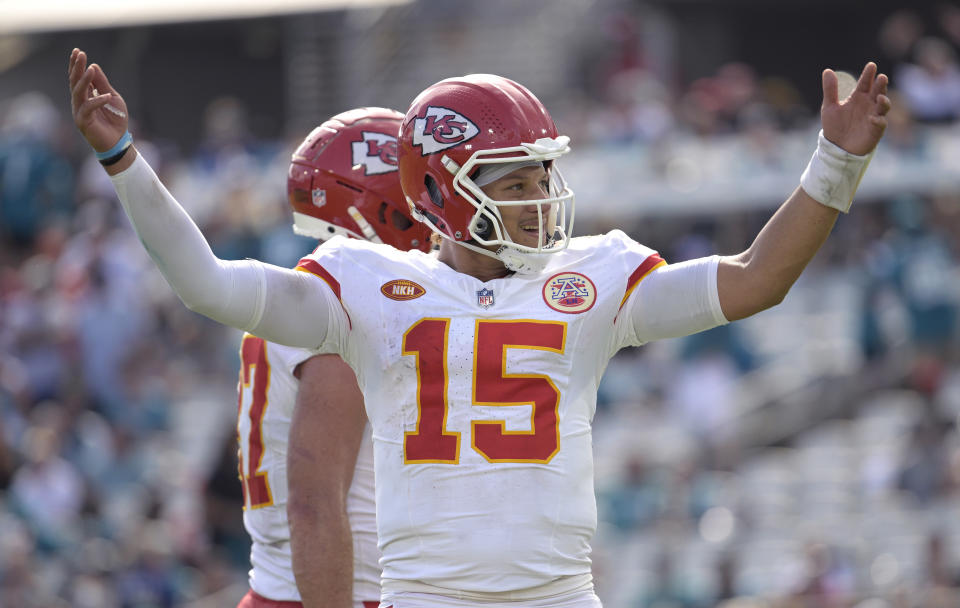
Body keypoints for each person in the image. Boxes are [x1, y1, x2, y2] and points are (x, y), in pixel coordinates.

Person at [69, 48, 890, 607]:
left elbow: (757, 280)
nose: (542, 194)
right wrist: (126, 163)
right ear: (441, 189)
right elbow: (206, 283)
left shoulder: (591, 278)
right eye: (519, 176)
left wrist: (836, 165)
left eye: (544, 173)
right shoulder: (372, 291)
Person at [233, 108, 432, 608]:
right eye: (426, 198)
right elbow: (314, 505)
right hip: (333, 594)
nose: (439, 217)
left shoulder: (308, 292)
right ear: (388, 208)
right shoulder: (346, 300)